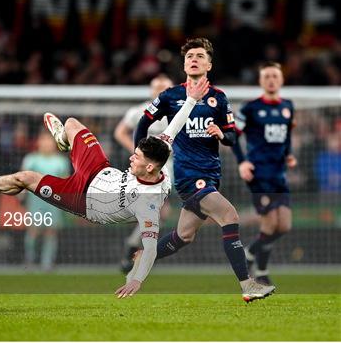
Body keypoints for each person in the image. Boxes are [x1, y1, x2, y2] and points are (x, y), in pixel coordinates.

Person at [0, 76, 210, 298]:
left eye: (137, 157)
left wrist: (136, 279)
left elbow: (151, 247)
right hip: (99, 170)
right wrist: (191, 99)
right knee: (73, 123)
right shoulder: (159, 151)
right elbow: (174, 127)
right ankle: (64, 140)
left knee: (25, 178)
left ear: (150, 168)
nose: (131, 156)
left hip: (82, 199)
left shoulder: (149, 203)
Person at [133, 37, 275, 302]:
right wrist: (139, 154)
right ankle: (248, 284)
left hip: (211, 174)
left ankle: (144, 256)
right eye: (189, 56)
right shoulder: (170, 96)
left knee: (183, 236)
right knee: (230, 215)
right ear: (184, 65)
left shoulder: (219, 98)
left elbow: (233, 137)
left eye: (200, 56)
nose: (194, 59)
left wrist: (222, 133)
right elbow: (143, 123)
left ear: (209, 64)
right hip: (188, 176)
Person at [232, 62, 297, 285]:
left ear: (281, 80)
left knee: (284, 226)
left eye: (274, 76)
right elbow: (233, 137)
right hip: (259, 174)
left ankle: (250, 253)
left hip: (279, 174)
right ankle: (261, 270)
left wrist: (288, 155)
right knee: (269, 224)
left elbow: (286, 135)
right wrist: (242, 163)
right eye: (266, 76)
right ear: (261, 81)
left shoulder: (288, 106)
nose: (271, 79)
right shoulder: (249, 108)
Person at [114, 74, 174, 273]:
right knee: (158, 210)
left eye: (165, 87)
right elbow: (120, 132)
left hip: (174, 166)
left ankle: (135, 248)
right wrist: (137, 153)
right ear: (150, 90)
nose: (160, 90)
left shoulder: (178, 112)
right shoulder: (140, 111)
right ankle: (136, 250)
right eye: (157, 87)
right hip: (148, 169)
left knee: (161, 212)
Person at [21, 132, 69, 271]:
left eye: (49, 141)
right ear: (39, 143)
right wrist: (21, 193)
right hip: (35, 201)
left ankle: (47, 264)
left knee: (51, 232)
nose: (47, 144)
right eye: (44, 140)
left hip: (53, 201)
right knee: (33, 231)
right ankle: (29, 261)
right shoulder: (31, 159)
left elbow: (65, 181)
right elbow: (23, 178)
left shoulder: (61, 161)